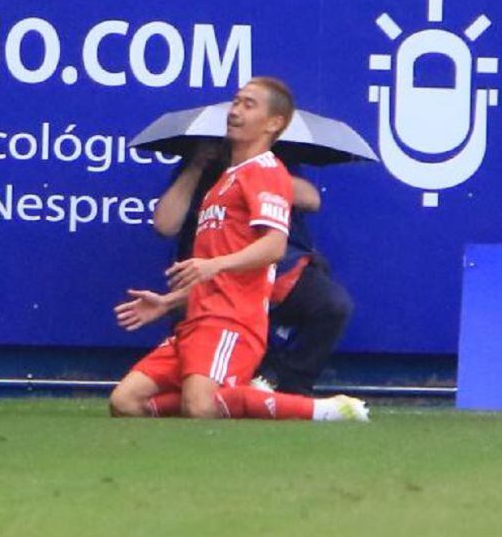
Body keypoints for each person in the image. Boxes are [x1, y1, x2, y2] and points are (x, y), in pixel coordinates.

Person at [109, 77, 368, 422]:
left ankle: (326, 410)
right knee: (125, 403)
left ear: (274, 123)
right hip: (196, 319)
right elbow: (187, 246)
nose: (235, 111)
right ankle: (249, 397)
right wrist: (168, 302)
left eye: (249, 105)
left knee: (200, 406)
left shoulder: (265, 171)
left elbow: (275, 246)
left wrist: (213, 265)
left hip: (230, 320)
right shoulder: (221, 183)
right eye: (235, 102)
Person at [154, 140, 354, 397]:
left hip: (279, 268)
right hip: (210, 275)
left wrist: (250, 173)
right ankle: (233, 384)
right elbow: (165, 224)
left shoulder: (271, 163)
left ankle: (290, 385)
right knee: (195, 388)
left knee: (333, 305)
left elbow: (311, 199)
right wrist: (197, 165)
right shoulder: (200, 168)